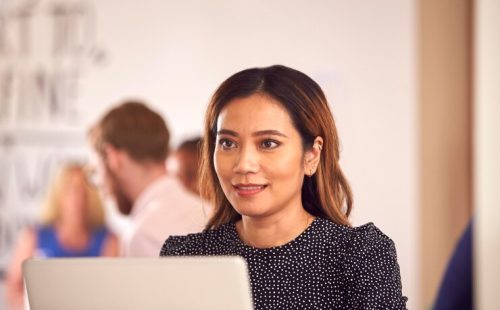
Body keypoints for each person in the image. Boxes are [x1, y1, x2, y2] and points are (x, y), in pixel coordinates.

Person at [160, 65, 408, 309]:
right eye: (227, 143)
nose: (244, 164)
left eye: (268, 143)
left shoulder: (360, 255)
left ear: (311, 155)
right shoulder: (185, 257)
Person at [88, 101, 206, 257]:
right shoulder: (209, 213)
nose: (102, 187)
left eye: (96, 171)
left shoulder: (143, 235)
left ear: (112, 157)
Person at [5, 163, 119, 309]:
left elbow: (111, 292)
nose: (77, 198)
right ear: (57, 195)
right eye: (70, 190)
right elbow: (13, 289)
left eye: (83, 190)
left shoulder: (109, 241)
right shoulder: (33, 237)